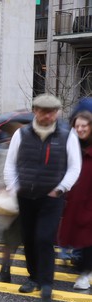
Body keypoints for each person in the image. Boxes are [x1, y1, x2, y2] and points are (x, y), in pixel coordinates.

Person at [3, 93, 82, 302]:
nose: (48, 116)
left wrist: (60, 189)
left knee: (44, 238)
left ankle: (46, 282)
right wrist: (14, 187)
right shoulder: (21, 135)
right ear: (35, 111)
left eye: (52, 112)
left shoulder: (68, 135)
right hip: (26, 195)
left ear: (57, 113)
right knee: (28, 238)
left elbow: (75, 166)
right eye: (43, 112)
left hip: (52, 196)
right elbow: (10, 164)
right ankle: (33, 278)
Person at [59, 110, 92, 290]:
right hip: (76, 198)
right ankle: (84, 270)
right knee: (79, 237)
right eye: (77, 126)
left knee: (87, 237)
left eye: (84, 126)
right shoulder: (72, 145)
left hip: (89, 198)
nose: (80, 129)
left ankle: (85, 274)